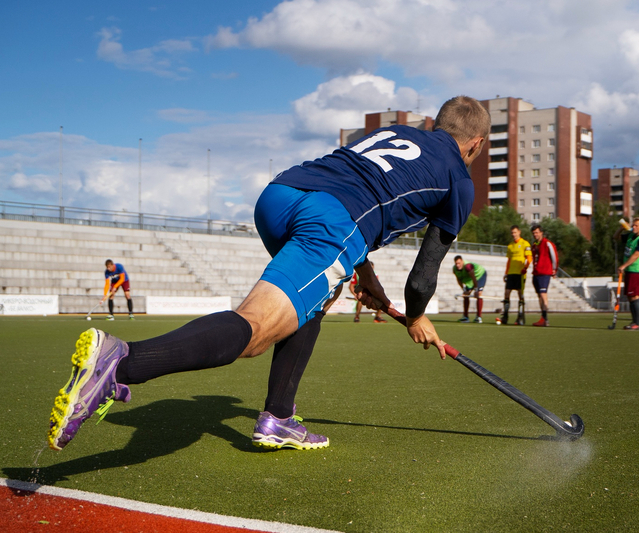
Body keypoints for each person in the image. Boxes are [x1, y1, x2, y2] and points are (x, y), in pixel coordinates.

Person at [47, 95, 490, 453]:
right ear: (476, 144)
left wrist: (365, 273)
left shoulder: (398, 132)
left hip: (281, 195)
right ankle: (122, 362)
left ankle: (278, 417)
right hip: (332, 219)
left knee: (313, 302)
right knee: (256, 330)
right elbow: (422, 275)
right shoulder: (459, 180)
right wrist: (415, 316)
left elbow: (362, 186)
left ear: (436, 124)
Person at [615, 217, 639, 330]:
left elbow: (636, 254)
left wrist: (623, 266)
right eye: (633, 225)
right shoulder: (630, 236)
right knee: (630, 296)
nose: (633, 227)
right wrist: (620, 229)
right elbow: (615, 238)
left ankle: (638, 323)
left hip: (636, 270)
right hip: (629, 271)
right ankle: (635, 321)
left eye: (636, 226)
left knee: (634, 295)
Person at [501, 225, 532, 325]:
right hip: (511, 273)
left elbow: (529, 259)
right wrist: (506, 273)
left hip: (520, 273)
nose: (513, 234)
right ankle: (505, 316)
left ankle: (520, 317)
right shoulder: (510, 245)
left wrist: (525, 268)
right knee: (506, 293)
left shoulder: (525, 243)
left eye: (515, 232)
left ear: (519, 232)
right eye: (512, 233)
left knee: (520, 294)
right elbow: (509, 261)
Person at [529, 224, 558, 327]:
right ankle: (543, 318)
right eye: (533, 233)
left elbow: (554, 257)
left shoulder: (547, 244)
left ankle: (545, 319)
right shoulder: (534, 245)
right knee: (539, 296)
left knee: (543, 294)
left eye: (537, 232)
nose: (535, 235)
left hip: (544, 273)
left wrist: (554, 270)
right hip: (536, 273)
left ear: (541, 232)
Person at [452, 255, 487, 323]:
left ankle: (478, 317)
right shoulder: (454, 269)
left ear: (462, 261)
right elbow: (459, 280)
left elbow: (474, 278)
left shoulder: (468, 266)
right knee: (465, 295)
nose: (458, 265)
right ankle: (465, 316)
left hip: (479, 275)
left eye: (459, 263)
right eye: (456, 263)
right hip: (469, 279)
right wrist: (464, 290)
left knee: (479, 294)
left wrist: (476, 289)